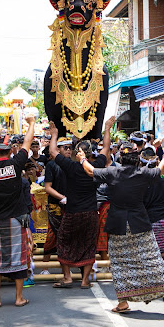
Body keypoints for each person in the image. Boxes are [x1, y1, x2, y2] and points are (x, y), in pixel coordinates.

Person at [81, 141, 164, 317]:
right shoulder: (143, 173)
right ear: (137, 160)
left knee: (120, 263)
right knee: (152, 257)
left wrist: (82, 159)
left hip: (118, 223)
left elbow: (90, 171)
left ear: (121, 158)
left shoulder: (113, 172)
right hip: (140, 221)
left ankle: (123, 302)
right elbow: (162, 169)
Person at [47, 117, 115, 289]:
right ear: (91, 153)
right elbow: (106, 148)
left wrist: (54, 134)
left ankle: (68, 277)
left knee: (63, 242)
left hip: (73, 212)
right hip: (91, 212)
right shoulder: (97, 165)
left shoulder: (72, 167)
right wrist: (107, 128)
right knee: (88, 244)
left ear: (78, 154)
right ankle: (85, 280)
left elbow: (53, 152)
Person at [0, 116, 35, 308]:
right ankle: (19, 298)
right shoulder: (16, 164)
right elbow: (28, 142)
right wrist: (31, 123)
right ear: (10, 150)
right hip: (16, 219)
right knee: (19, 258)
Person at [140, 147, 164, 284]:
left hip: (149, 217)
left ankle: (151, 279)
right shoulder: (162, 174)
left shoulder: (142, 175)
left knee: (148, 251)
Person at [41, 137, 70, 265]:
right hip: (55, 204)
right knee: (52, 235)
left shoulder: (74, 163)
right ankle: (45, 266)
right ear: (58, 149)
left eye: (70, 148)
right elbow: (47, 187)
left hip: (71, 205)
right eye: (65, 148)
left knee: (71, 235)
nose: (69, 150)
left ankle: (70, 264)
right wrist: (62, 197)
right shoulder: (51, 165)